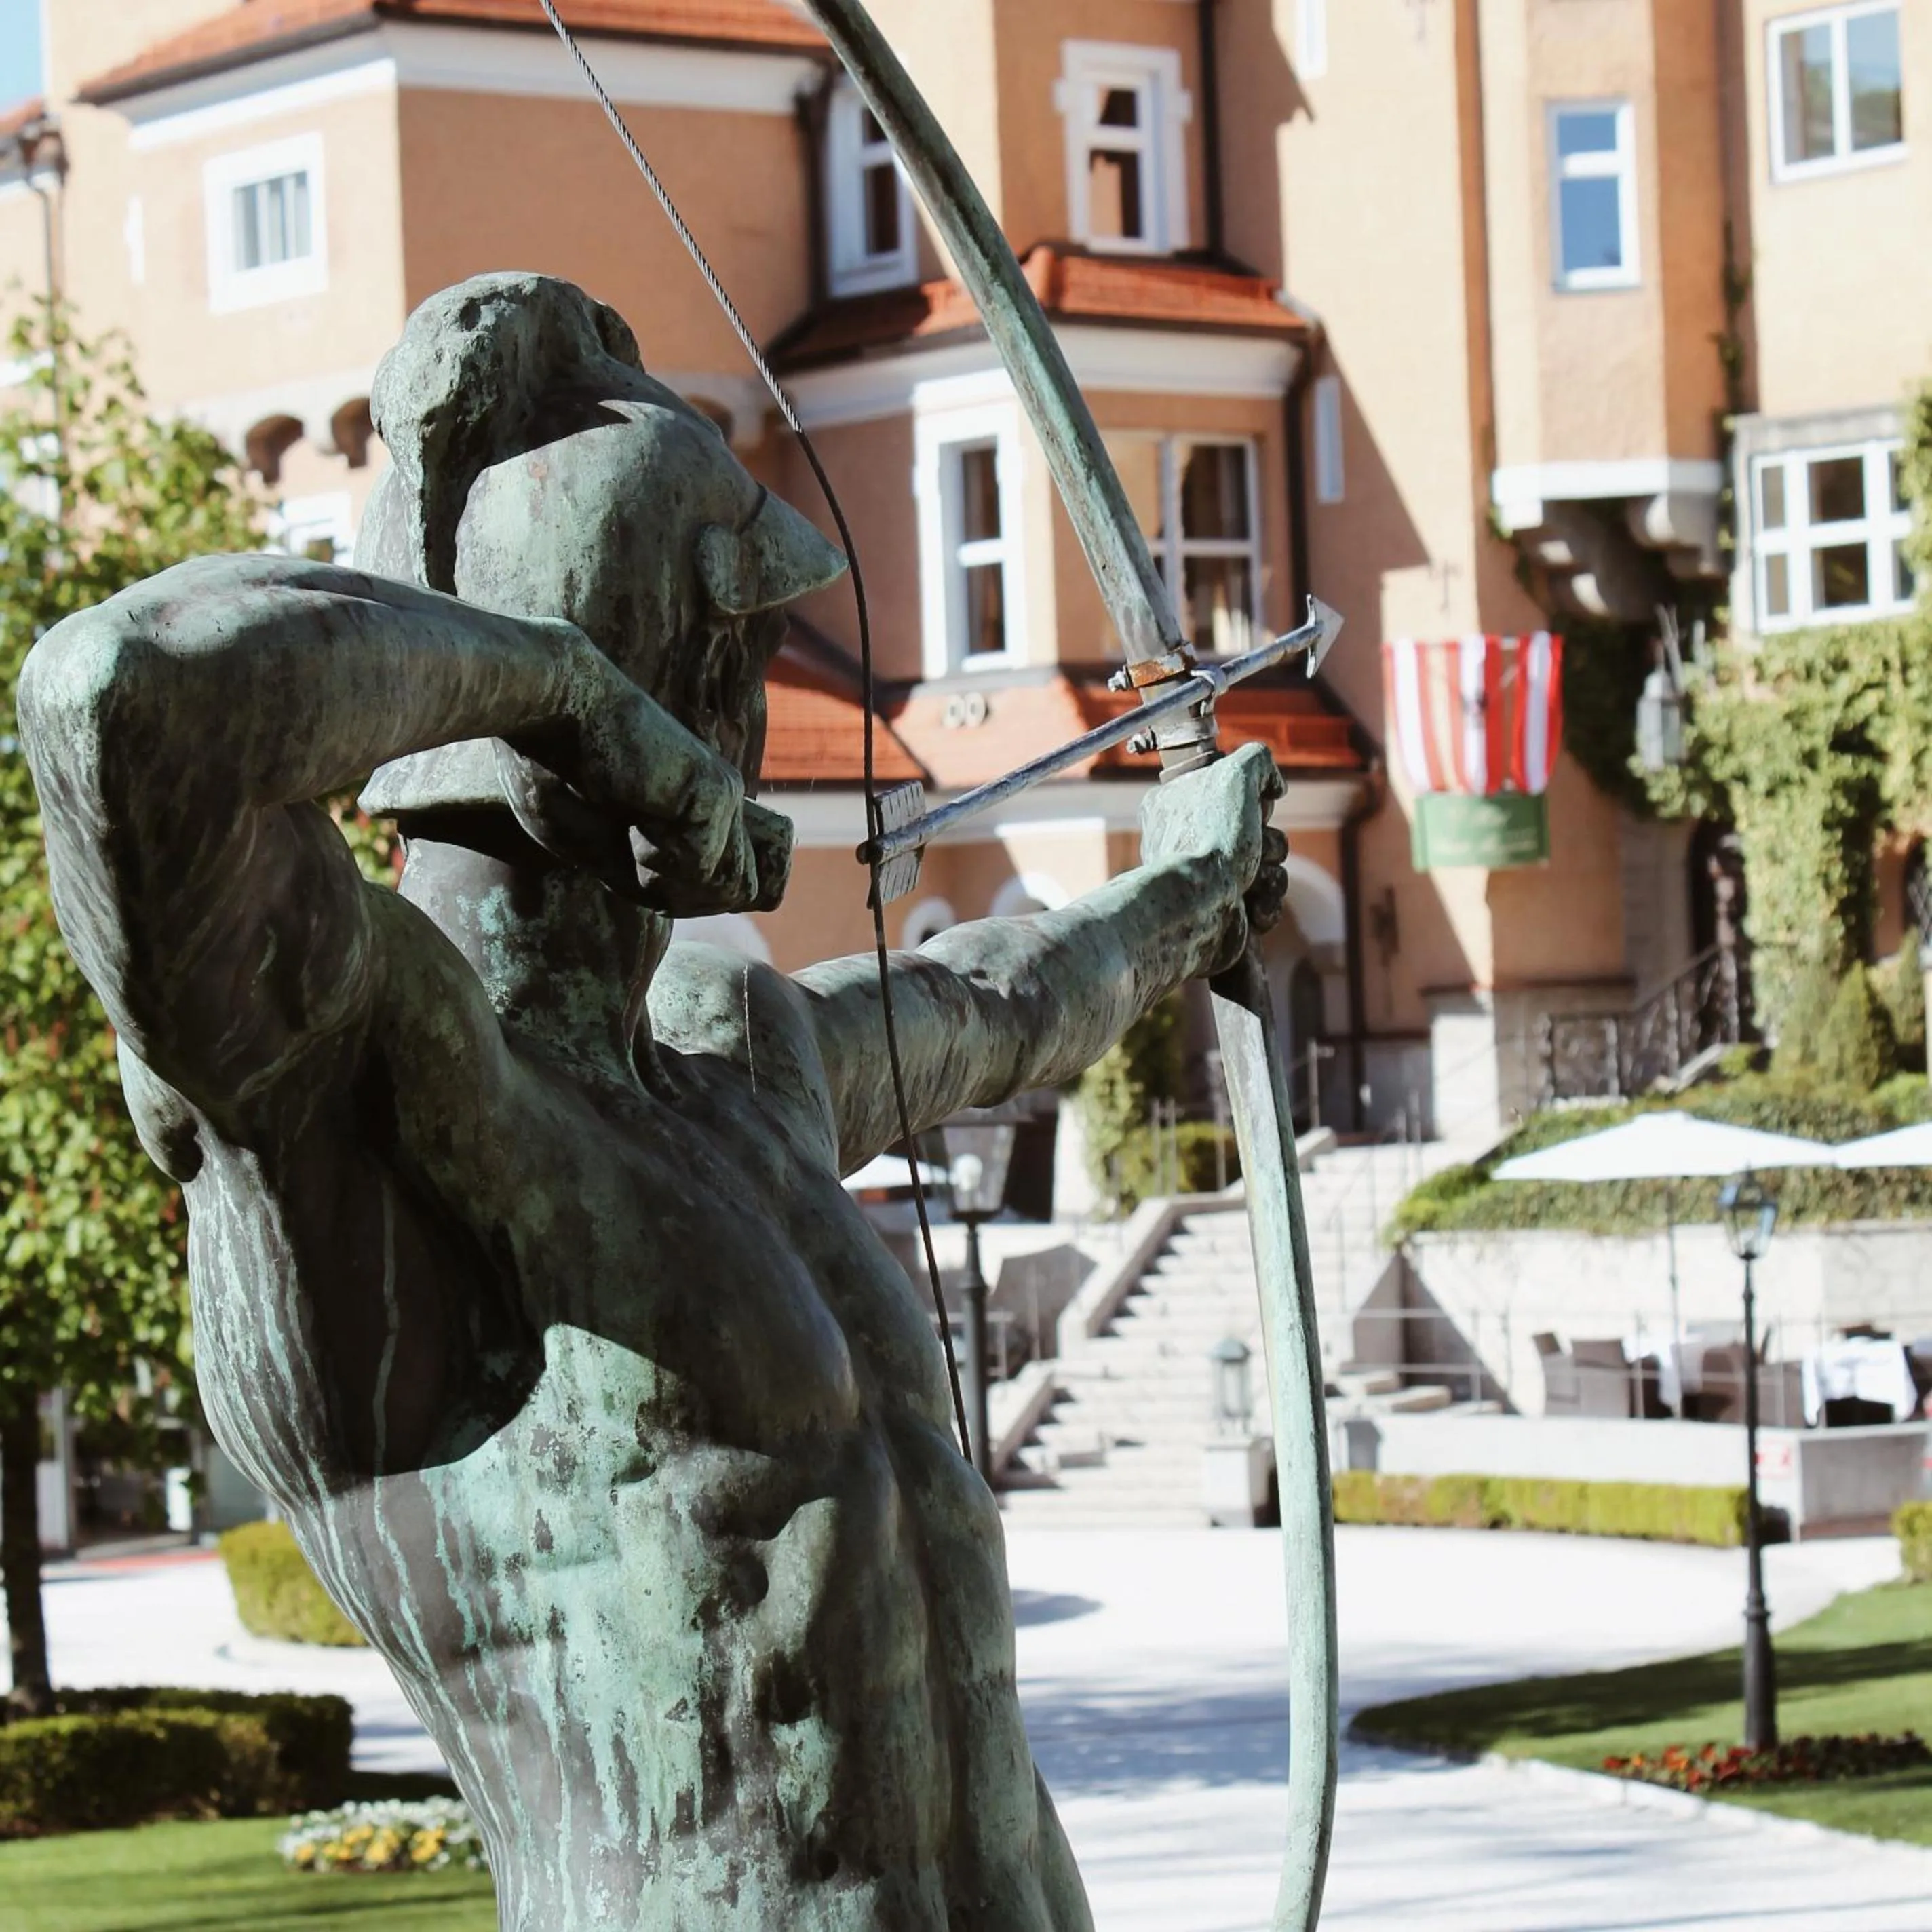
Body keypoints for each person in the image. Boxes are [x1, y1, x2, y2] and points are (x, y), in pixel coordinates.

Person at [20, 274, 1288, 1931]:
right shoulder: (364, 1104)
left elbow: (1001, 1003)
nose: (757, 713)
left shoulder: (732, 1074)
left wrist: (1185, 891)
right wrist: (564, 688)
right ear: (688, 687)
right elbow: (120, 699)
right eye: (738, 652)